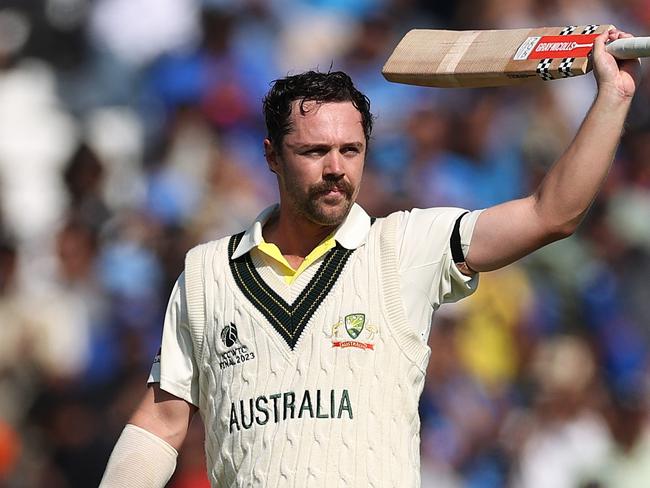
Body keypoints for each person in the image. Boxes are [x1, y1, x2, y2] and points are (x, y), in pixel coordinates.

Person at [99, 29, 640, 488]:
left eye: (350, 151)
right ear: (271, 156)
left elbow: (552, 214)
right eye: (314, 151)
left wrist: (612, 95)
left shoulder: (404, 247)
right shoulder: (207, 273)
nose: (336, 168)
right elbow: (161, 424)